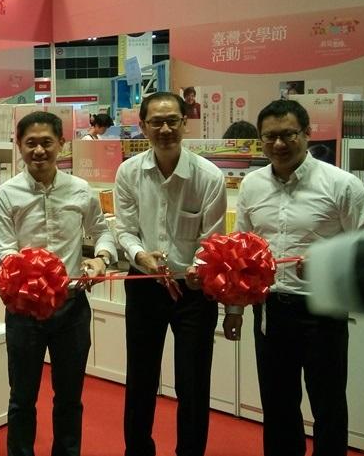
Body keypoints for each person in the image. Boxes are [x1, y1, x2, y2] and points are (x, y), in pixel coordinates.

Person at [225, 99, 364, 456]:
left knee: (328, 405)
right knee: (278, 406)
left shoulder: (341, 184)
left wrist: (329, 258)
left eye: (288, 134)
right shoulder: (251, 185)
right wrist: (235, 309)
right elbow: (241, 251)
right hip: (271, 308)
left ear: (307, 134)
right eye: (270, 137)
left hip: (323, 306)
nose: (279, 144)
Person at [0, 110, 117, 456]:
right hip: (25, 313)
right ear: (18, 145)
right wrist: (27, 274)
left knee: (69, 397)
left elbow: (103, 231)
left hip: (71, 309)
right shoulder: (6, 193)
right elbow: (3, 247)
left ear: (62, 144)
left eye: (47, 142)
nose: (39, 151)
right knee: (21, 398)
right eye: (30, 143)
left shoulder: (80, 189)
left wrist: (101, 258)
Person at [114, 91, 226, 456]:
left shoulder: (209, 177)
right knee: (140, 378)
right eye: (156, 122)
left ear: (184, 123)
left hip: (193, 290)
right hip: (145, 283)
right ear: (143, 126)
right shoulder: (129, 172)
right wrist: (139, 255)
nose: (165, 129)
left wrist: (200, 266)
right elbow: (125, 229)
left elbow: (214, 240)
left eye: (172, 121)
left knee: (193, 383)